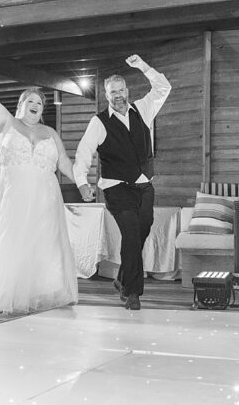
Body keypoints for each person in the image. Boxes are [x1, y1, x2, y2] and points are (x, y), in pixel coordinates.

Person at [0, 61, 79, 314]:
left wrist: (83, 183)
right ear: (20, 105)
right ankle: (5, 291)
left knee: (42, 244)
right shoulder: (6, 123)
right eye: (30, 101)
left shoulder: (50, 132)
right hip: (12, 195)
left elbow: (63, 161)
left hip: (44, 198)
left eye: (40, 103)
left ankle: (37, 291)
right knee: (9, 240)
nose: (35, 105)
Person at [73, 55, 171, 311]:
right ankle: (132, 292)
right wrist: (82, 182)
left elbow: (163, 88)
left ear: (127, 91)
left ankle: (122, 278)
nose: (117, 95)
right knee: (130, 234)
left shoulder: (143, 109)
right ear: (106, 95)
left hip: (144, 185)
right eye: (111, 92)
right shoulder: (99, 122)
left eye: (120, 90)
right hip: (116, 187)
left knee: (142, 230)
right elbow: (84, 152)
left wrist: (142, 66)